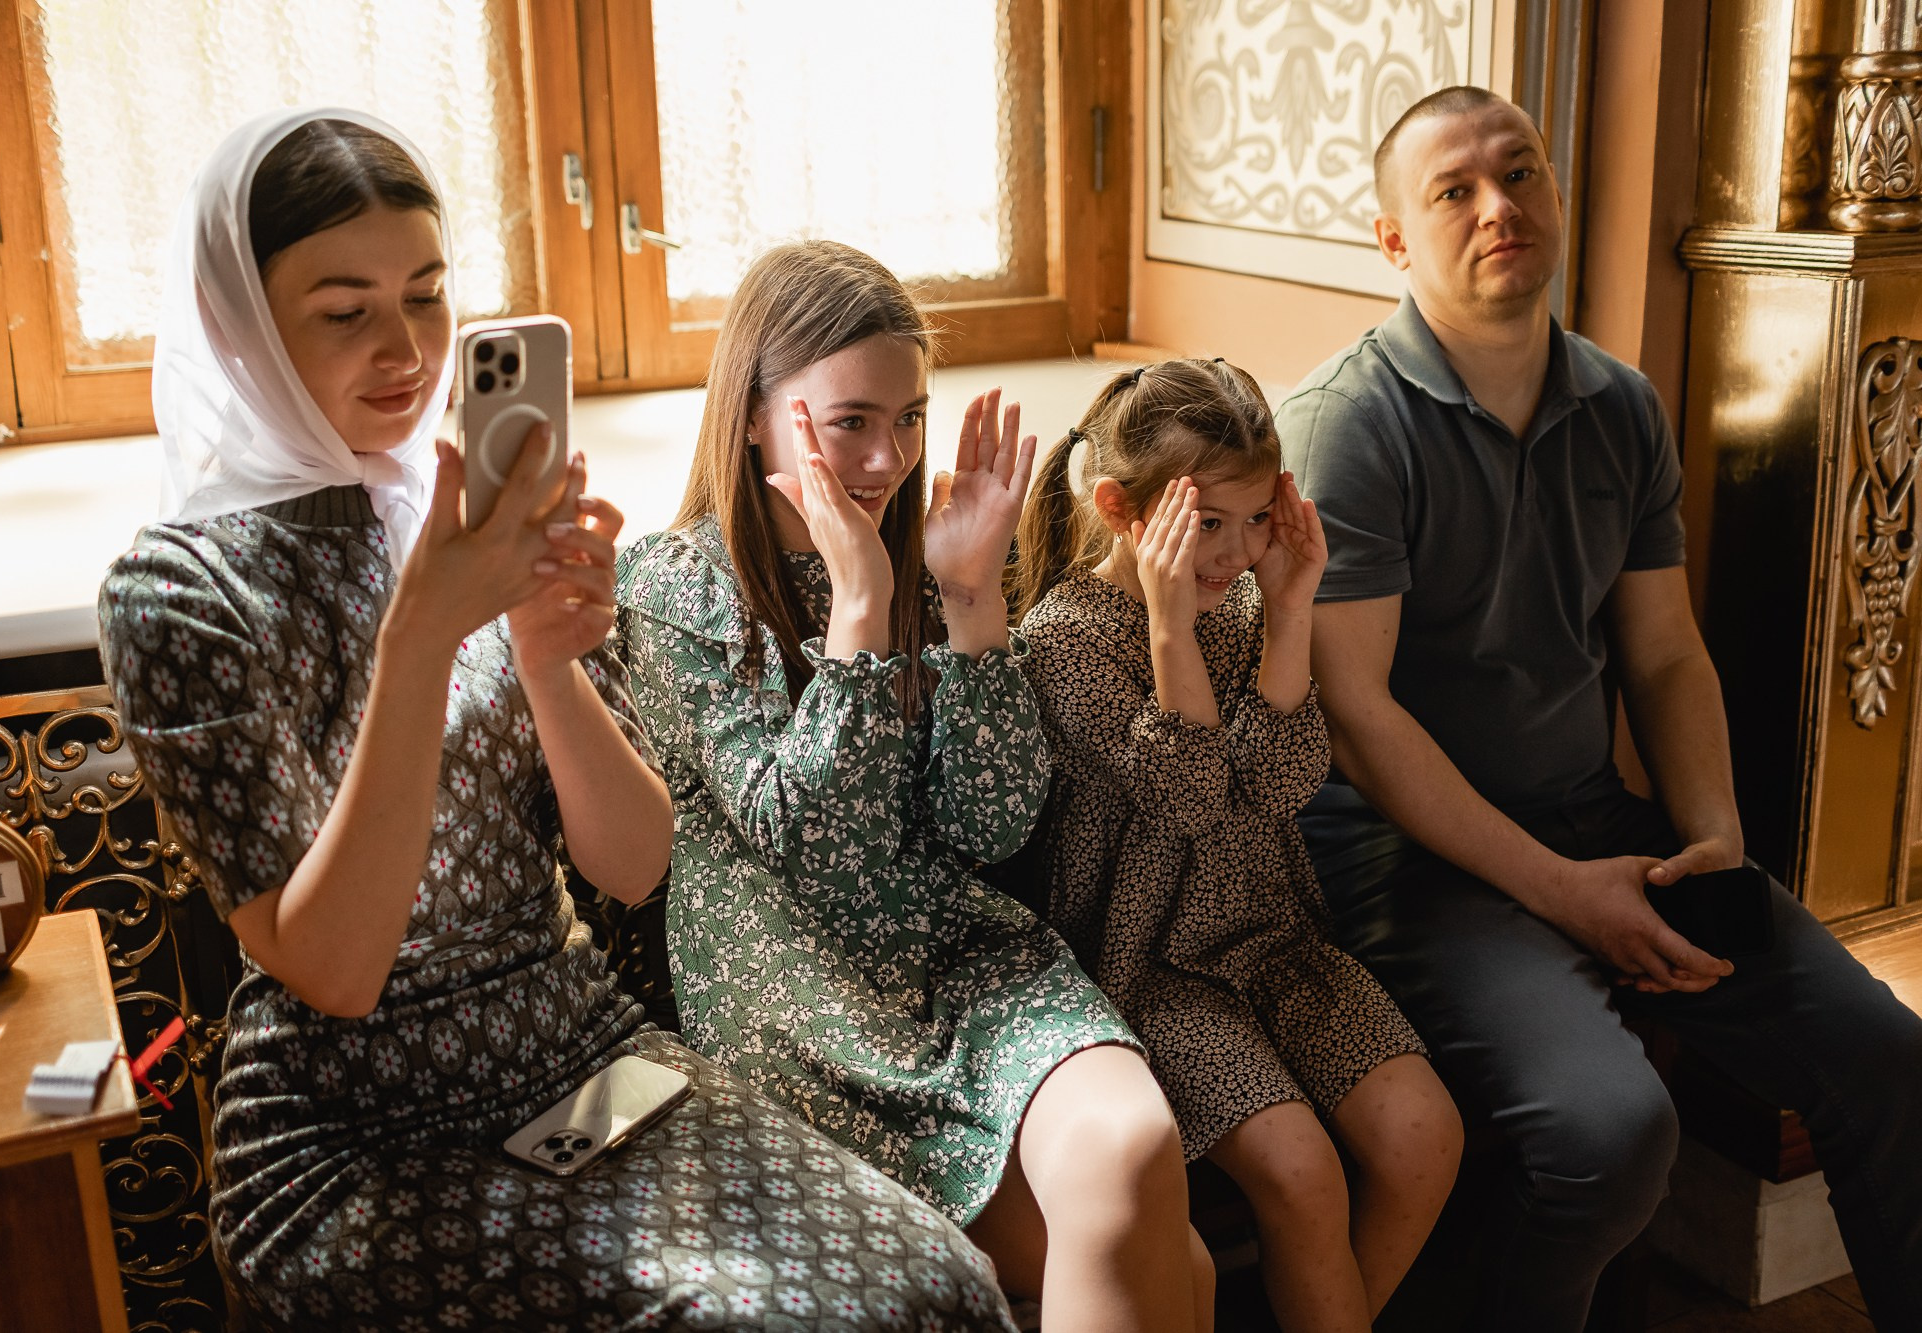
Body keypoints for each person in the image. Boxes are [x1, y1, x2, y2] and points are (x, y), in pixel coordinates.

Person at [100, 109, 1014, 1331]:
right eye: (343, 310)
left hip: (574, 1054)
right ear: (239, 324)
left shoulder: (477, 510)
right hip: (354, 1130)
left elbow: (632, 866)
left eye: (426, 296)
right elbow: (334, 966)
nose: (405, 349)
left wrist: (540, 652)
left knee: (937, 1283)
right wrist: (421, 638)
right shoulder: (179, 591)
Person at [1277, 85, 1922, 1332]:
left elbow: (1666, 655)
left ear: (1557, 195)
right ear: (1395, 244)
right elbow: (1356, 718)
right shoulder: (1346, 426)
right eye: (1452, 191)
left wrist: (1714, 843)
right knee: (1610, 1132)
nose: (1497, 206)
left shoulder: (1619, 404)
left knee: (1890, 1064)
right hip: (1403, 865)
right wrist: (1566, 892)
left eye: (1518, 173)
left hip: (1588, 818)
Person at [614, 240, 1214, 1331]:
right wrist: (855, 611)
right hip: (799, 1000)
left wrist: (971, 600)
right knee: (1176, 1266)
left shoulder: (922, 563)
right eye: (851, 421)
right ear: (753, 414)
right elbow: (807, 843)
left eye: (908, 418)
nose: (888, 459)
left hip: (959, 958)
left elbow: (990, 825)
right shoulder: (674, 585)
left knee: (1132, 1150)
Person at [1012, 358, 1461, 1332]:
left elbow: (1281, 782)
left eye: (1255, 519)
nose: (1231, 551)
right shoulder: (1064, 642)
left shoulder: (1248, 606)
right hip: (1149, 971)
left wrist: (1291, 605)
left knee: (1424, 1134)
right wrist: (1172, 635)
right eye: (1205, 523)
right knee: (1301, 1172)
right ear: (1119, 508)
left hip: (1276, 943)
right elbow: (1188, 798)